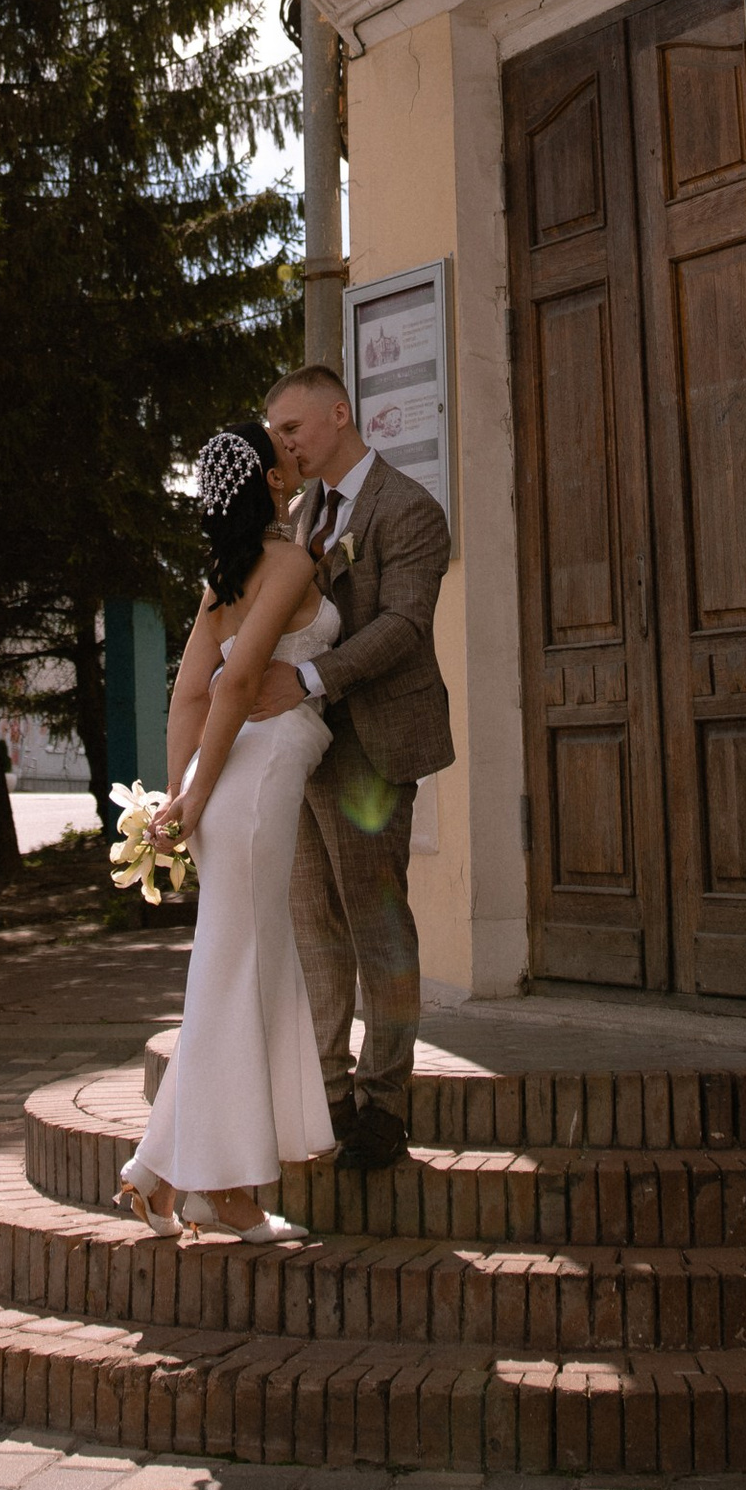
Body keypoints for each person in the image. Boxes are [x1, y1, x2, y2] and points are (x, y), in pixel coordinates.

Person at [116, 422, 337, 1244]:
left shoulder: (222, 581)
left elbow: (187, 696)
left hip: (231, 794)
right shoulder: (287, 565)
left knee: (235, 976)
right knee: (236, 982)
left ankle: (157, 1178)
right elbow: (234, 683)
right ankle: (226, 1192)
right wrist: (190, 801)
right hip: (255, 784)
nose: (294, 450)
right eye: (282, 446)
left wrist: (178, 798)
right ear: (272, 484)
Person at [263, 362, 454, 1174]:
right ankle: (330, 1093)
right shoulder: (298, 516)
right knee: (313, 926)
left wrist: (307, 679)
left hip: (371, 751)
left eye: (293, 430)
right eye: (276, 434)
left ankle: (385, 1103)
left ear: (339, 415)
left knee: (378, 929)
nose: (284, 446)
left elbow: (404, 626)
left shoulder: (409, 508)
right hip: (303, 752)